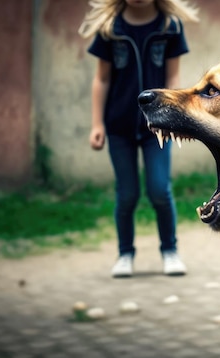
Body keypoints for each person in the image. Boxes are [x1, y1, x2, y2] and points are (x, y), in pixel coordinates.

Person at [78, 0, 199, 278]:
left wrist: (175, 118)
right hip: (118, 127)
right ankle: (124, 254)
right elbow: (102, 79)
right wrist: (97, 123)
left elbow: (173, 77)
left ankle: (170, 250)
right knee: (127, 194)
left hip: (157, 128)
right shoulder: (111, 28)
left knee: (159, 189)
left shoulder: (170, 26)